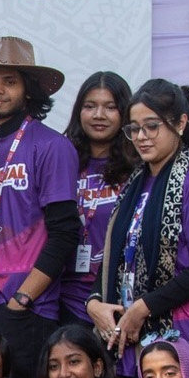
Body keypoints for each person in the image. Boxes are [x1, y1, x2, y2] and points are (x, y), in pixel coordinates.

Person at [0, 37, 80, 378]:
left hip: (28, 308)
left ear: (29, 90)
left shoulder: (53, 146)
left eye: (9, 81)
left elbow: (65, 233)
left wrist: (23, 298)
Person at [87, 79, 189, 378]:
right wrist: (94, 302)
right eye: (134, 129)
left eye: (152, 126)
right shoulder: (133, 185)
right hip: (126, 342)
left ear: (180, 123)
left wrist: (143, 307)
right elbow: (115, 256)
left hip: (177, 338)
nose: (141, 137)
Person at [59, 71, 135, 330]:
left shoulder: (139, 169)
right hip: (63, 298)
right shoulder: (61, 162)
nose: (99, 115)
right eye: (90, 106)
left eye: (110, 107)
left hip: (116, 298)